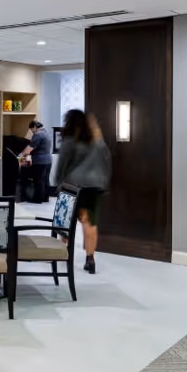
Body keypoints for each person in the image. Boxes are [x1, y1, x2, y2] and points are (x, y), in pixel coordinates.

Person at [54, 109, 110, 274]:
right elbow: (107, 161)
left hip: (74, 185)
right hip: (96, 186)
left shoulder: (70, 141)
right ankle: (90, 259)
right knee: (89, 222)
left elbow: (62, 165)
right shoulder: (97, 142)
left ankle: (62, 252)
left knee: (66, 219)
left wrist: (58, 184)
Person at [20, 120, 52, 203]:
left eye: (31, 129)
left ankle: (37, 199)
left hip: (40, 161)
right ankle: (45, 198)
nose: (32, 132)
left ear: (34, 127)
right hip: (48, 160)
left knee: (38, 180)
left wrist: (21, 155)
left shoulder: (38, 135)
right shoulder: (46, 133)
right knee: (45, 180)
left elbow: (29, 149)